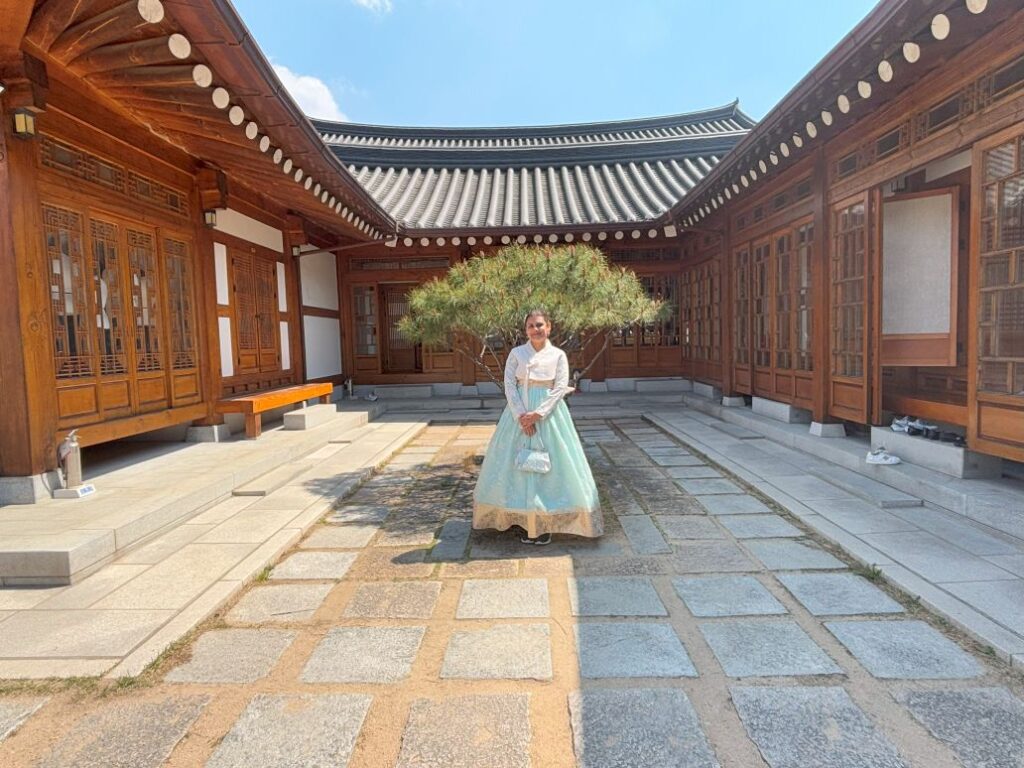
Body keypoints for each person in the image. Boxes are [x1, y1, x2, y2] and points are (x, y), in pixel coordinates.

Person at [473, 309, 603, 544]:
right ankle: (523, 519)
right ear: (526, 330)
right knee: (516, 466)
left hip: (549, 414)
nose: (536, 329)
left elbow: (560, 385)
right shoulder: (517, 353)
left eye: (540, 325)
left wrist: (538, 414)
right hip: (518, 413)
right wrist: (521, 415)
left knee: (552, 464)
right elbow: (509, 384)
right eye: (531, 326)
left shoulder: (558, 355)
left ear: (549, 327)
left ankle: (545, 520)